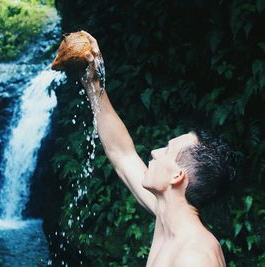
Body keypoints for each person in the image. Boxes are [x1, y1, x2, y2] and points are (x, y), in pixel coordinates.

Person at [79, 31, 235, 267]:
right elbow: (123, 154)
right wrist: (93, 83)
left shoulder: (193, 257)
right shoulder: (168, 216)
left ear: (176, 176)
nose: (154, 152)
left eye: (166, 149)